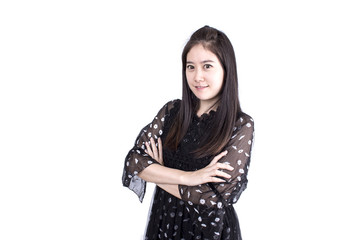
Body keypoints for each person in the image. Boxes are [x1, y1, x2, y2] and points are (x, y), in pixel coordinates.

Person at [123, 25, 254, 240]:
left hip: (208, 231)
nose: (197, 76)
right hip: (164, 222)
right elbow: (134, 162)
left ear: (226, 70)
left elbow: (214, 198)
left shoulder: (240, 125)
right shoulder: (171, 112)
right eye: (190, 67)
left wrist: (159, 172)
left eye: (207, 66)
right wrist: (191, 177)